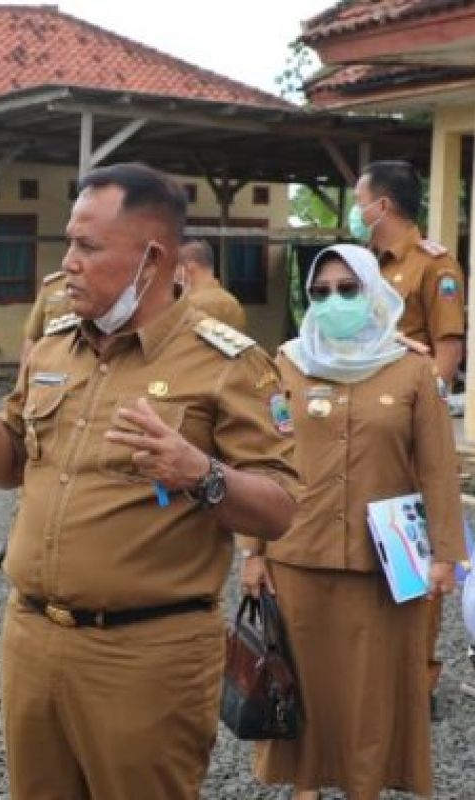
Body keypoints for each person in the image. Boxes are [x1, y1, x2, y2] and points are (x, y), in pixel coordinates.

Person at [0, 162, 298, 799]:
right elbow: (7, 465)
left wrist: (201, 473)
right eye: (69, 241)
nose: (68, 261)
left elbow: (281, 508)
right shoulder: (53, 347)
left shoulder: (225, 364)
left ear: (151, 259)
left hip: (146, 657)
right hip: (34, 639)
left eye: (87, 246)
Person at [241, 244, 462, 799]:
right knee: (306, 686)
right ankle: (306, 787)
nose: (334, 301)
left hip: (386, 565)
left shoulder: (411, 369)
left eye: (347, 288)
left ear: (372, 291)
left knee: (371, 691)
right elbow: (261, 460)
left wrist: (445, 556)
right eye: (320, 293)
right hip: (297, 555)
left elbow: (438, 467)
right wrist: (253, 552)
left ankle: (364, 788)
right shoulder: (285, 363)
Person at [352, 159, 466, 717]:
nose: (357, 211)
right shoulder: (362, 266)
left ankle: (416, 678)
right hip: (361, 427)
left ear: (384, 206)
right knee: (360, 541)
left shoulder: (433, 266)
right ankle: (370, 666)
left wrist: (420, 409)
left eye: (360, 200)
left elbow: (448, 348)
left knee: (409, 547)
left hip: (408, 426)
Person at [0, 271, 71, 570]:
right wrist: (24, 384)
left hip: (91, 388)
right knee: (33, 459)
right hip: (50, 389)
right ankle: (18, 537)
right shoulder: (54, 286)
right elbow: (33, 337)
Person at [177, 238, 247, 330]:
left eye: (176, 266)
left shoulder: (190, 305)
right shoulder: (233, 303)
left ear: (190, 266)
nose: (175, 273)